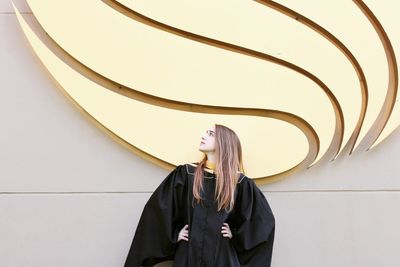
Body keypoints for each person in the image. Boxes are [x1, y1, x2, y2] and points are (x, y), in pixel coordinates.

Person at [124, 124, 275, 267]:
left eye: (210, 134)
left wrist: (236, 236)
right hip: (189, 254)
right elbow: (158, 210)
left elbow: (262, 223)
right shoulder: (186, 174)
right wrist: (174, 235)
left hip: (222, 258)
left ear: (223, 142)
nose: (203, 136)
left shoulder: (239, 182)